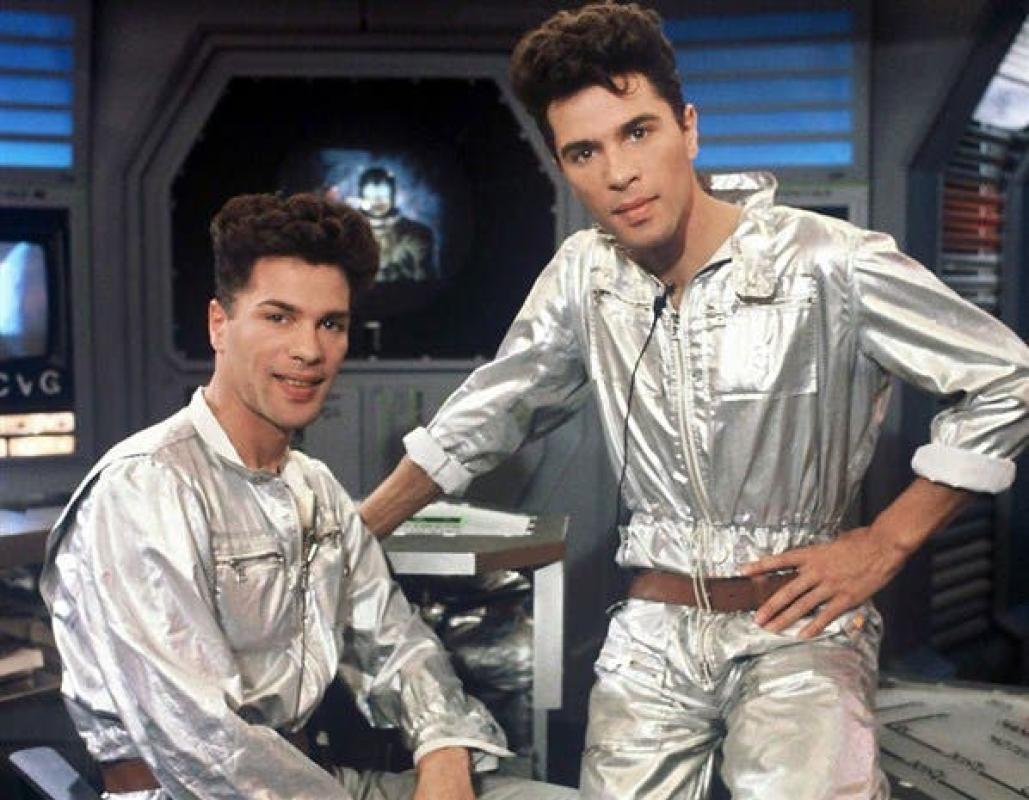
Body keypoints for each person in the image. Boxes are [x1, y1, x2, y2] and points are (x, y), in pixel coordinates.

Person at [358, 3, 1029, 799]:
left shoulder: (827, 261)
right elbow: (485, 416)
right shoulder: (583, 275)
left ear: (688, 128)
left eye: (637, 132)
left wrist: (885, 540)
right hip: (652, 635)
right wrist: (353, 534)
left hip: (800, 630)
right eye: (583, 152)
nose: (617, 173)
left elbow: (1007, 378)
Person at [40, 193, 577, 800]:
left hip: (317, 781)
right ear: (219, 324)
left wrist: (444, 747)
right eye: (279, 317)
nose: (309, 350)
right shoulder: (144, 488)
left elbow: (397, 643)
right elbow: (203, 746)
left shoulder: (314, 487)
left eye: (331, 324)